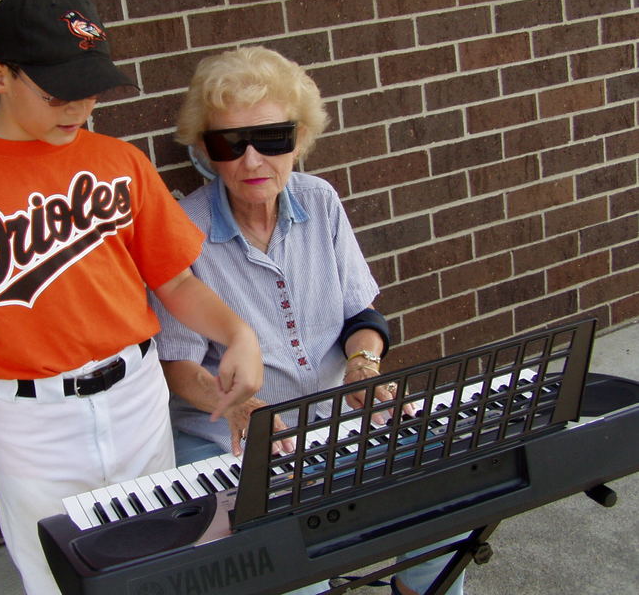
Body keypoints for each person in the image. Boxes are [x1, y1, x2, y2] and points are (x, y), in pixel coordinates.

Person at [0, 0, 263, 595]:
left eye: (91, 90)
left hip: (137, 399)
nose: (79, 108)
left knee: (154, 567)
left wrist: (236, 332)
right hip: (33, 421)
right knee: (58, 578)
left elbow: (174, 282)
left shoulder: (120, 161)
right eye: (60, 91)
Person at [148, 46, 464, 595]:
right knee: (289, 567)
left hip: (333, 418)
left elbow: (361, 314)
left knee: (444, 504)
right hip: (227, 437)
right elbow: (175, 369)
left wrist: (364, 362)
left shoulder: (319, 202)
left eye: (272, 139)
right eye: (230, 143)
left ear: (299, 139)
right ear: (204, 150)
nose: (252, 162)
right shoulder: (182, 230)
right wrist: (243, 408)